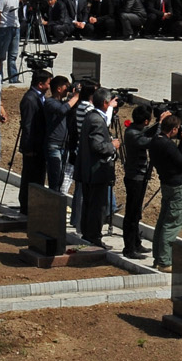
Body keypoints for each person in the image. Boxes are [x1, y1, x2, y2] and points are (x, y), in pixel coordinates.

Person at [147, 113, 182, 271]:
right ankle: (165, 262)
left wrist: (181, 142)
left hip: (166, 183)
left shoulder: (156, 141)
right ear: (174, 129)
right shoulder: (167, 145)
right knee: (172, 223)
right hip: (176, 187)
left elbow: (174, 158)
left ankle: (158, 257)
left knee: (162, 221)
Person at [75, 88, 118, 246]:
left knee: (90, 204)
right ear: (105, 103)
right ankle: (94, 236)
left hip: (88, 170)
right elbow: (97, 146)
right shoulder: (97, 120)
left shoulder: (91, 116)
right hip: (96, 171)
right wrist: (112, 146)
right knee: (97, 206)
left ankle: (89, 234)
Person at [119, 104, 155, 260]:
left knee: (136, 212)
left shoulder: (136, 130)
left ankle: (136, 242)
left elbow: (148, 134)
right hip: (135, 178)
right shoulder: (133, 134)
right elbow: (150, 142)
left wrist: (159, 124)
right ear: (146, 121)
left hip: (139, 176)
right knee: (132, 214)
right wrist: (161, 128)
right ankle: (129, 248)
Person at [17, 68, 51, 213]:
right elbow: (28, 125)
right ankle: (26, 205)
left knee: (38, 176)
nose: (50, 86)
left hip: (39, 145)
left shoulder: (40, 97)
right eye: (48, 83)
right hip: (32, 146)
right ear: (40, 84)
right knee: (30, 176)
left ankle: (33, 203)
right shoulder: (30, 99)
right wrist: (28, 148)